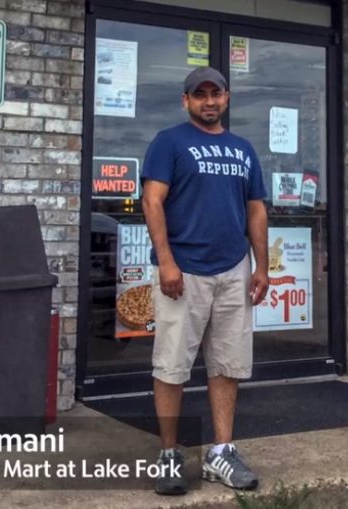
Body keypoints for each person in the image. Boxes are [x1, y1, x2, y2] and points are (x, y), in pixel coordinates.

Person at [141, 66, 269, 495]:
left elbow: (256, 210)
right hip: (185, 270)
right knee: (172, 367)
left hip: (234, 269)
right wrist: (166, 262)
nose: (209, 101)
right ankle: (168, 455)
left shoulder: (244, 149)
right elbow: (152, 200)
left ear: (227, 99)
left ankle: (221, 452)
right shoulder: (170, 143)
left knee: (227, 365)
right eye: (201, 95)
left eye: (216, 94)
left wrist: (262, 266)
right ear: (186, 101)